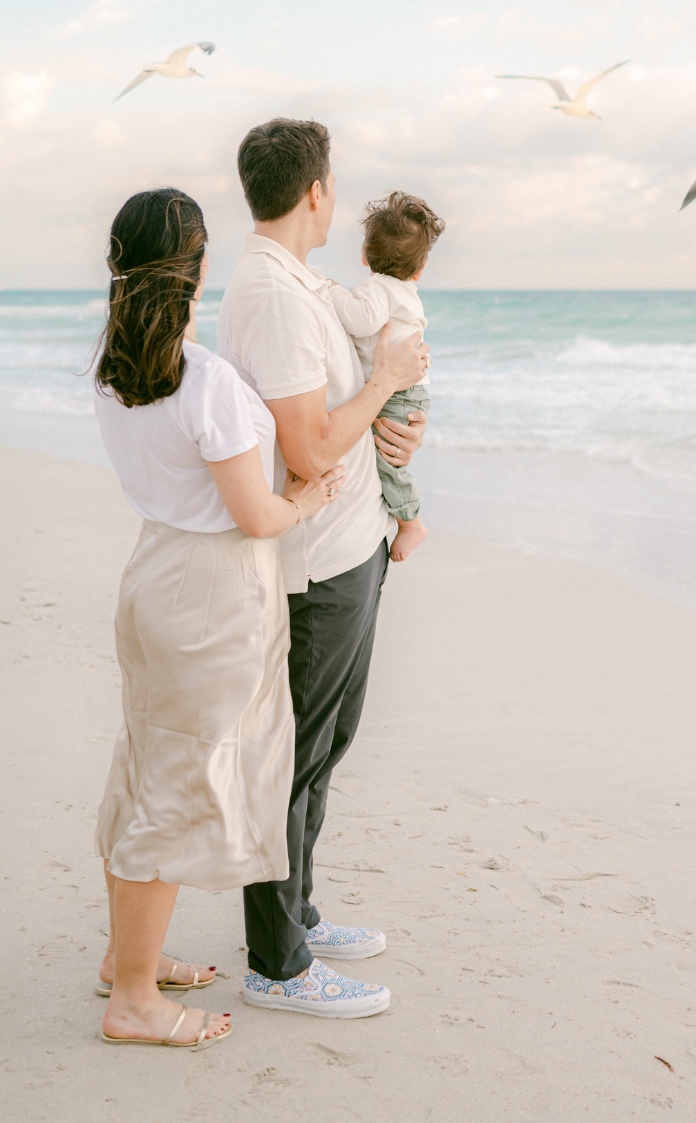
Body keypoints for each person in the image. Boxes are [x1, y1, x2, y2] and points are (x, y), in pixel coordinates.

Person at [88, 189, 342, 1052]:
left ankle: (125, 959)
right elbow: (256, 516)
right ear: (197, 268)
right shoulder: (210, 384)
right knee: (177, 783)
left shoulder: (116, 370)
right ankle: (132, 997)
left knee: (147, 763)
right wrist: (307, 495)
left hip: (153, 573)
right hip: (210, 593)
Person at [217, 118, 429, 1019]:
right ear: (316, 192)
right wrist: (382, 386)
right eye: (333, 182)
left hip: (356, 543)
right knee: (293, 757)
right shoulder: (276, 295)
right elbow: (305, 449)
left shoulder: (305, 286)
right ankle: (279, 962)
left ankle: (298, 911)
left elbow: (342, 414)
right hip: (314, 563)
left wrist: (393, 428)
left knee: (327, 747)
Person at [322, 191, 444, 563]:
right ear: (419, 269)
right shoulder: (407, 291)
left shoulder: (377, 288)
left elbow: (362, 319)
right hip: (411, 391)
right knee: (388, 456)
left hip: (398, 391)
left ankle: (410, 522)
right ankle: (405, 519)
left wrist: (333, 295)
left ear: (365, 255)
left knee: (386, 462)